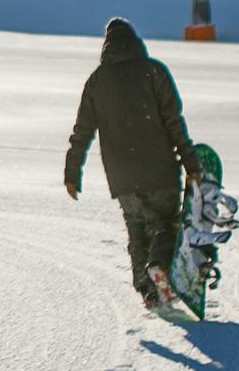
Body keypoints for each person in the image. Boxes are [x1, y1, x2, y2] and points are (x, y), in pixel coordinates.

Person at [62, 16, 203, 310]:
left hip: (122, 176)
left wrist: (72, 172)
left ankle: (148, 290)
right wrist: (192, 165)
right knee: (166, 223)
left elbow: (82, 131)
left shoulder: (97, 81)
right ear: (136, 42)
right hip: (160, 169)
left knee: (136, 228)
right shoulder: (154, 71)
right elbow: (174, 123)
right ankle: (160, 266)